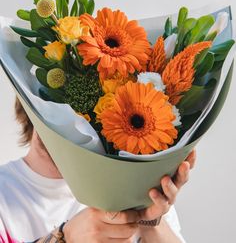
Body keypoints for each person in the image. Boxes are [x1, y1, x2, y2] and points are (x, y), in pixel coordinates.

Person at [0, 97, 196, 243]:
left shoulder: (141, 189)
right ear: (30, 102)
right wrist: (65, 237)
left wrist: (146, 219)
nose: (71, 117)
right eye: (57, 101)